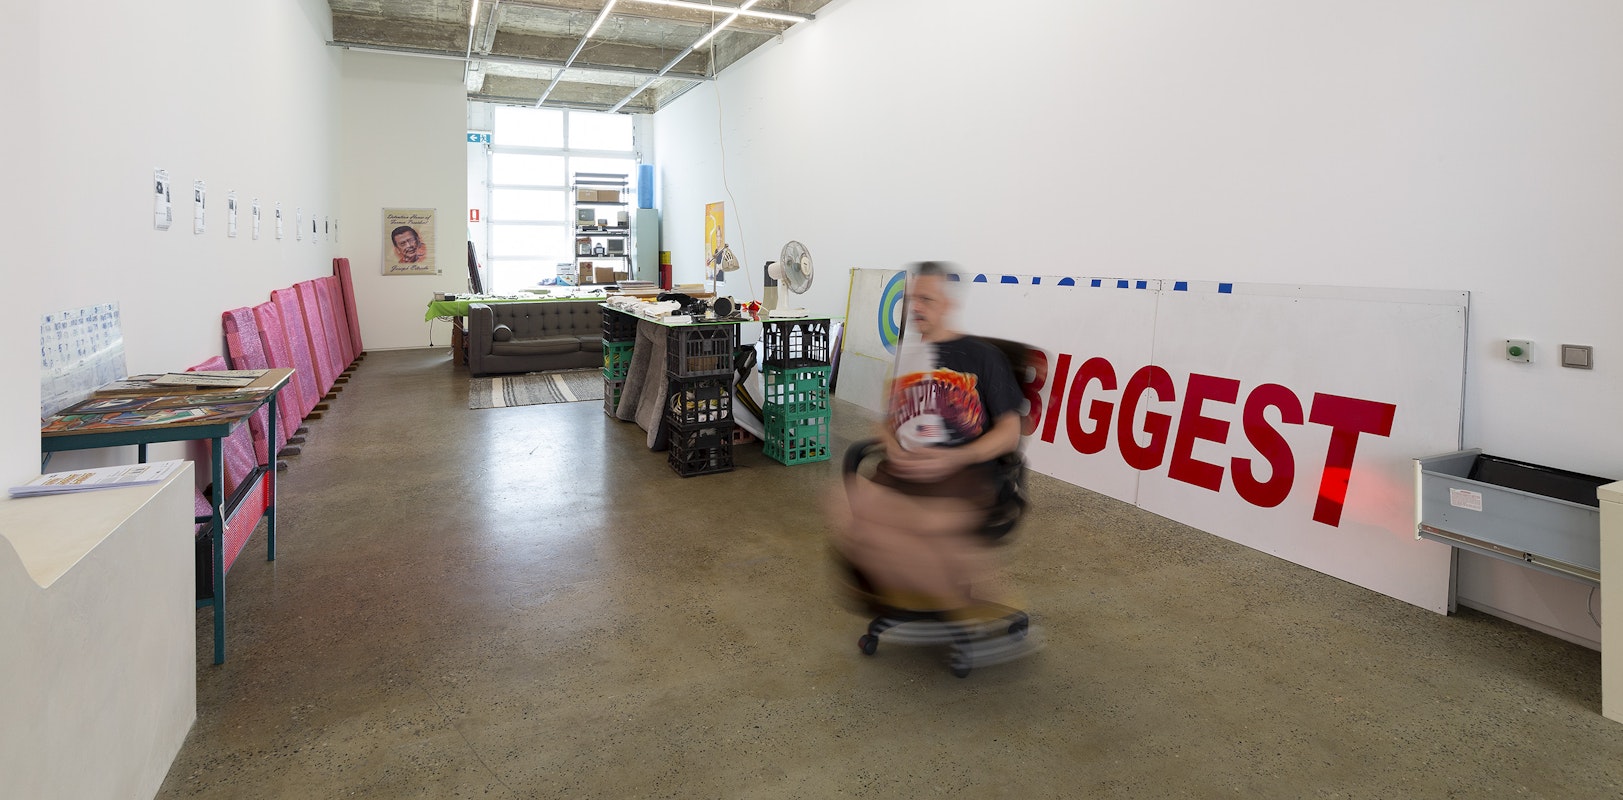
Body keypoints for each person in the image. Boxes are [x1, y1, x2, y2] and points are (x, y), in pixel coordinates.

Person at [830, 261, 1029, 635]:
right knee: (844, 508)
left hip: (961, 472)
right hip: (905, 470)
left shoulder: (982, 357)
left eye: (926, 298)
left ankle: (955, 607)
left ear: (948, 303)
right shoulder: (907, 357)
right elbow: (887, 422)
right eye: (911, 300)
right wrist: (894, 447)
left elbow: (1009, 433)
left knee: (919, 523)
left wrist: (956, 456)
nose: (916, 307)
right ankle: (937, 598)